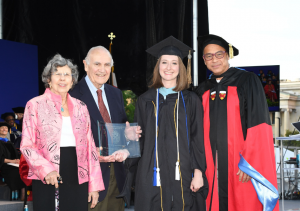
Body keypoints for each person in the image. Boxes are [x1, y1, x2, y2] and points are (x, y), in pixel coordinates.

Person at [119, 36, 208, 211]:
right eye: (164, 62)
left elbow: (198, 138)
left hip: (183, 170)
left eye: (174, 63)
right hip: (151, 171)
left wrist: (198, 171)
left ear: (180, 68)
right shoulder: (145, 100)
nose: (169, 68)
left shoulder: (191, 100)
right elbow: (139, 139)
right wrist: (128, 138)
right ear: (157, 66)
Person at [195, 34, 279, 211]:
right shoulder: (202, 89)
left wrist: (250, 163)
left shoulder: (247, 81)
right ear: (203, 60)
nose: (214, 60)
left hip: (240, 163)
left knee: (244, 203)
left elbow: (259, 124)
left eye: (219, 54)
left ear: (227, 55)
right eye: (208, 56)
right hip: (211, 165)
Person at [20, 54, 104, 211]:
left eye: (67, 74)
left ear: (72, 80)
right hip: (48, 174)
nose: (62, 78)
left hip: (78, 174)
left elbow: (90, 148)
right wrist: (47, 170)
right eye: (57, 74)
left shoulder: (81, 107)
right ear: (48, 80)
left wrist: (94, 185)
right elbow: (27, 145)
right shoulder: (35, 105)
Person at [69, 46, 141, 211]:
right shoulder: (71, 95)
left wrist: (128, 135)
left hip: (116, 176)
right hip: (88, 179)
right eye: (97, 64)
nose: (102, 70)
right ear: (86, 65)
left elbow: (119, 130)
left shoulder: (115, 94)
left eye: (107, 65)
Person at [0, 122, 25, 199]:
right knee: (16, 172)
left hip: (12, 164)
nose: (5, 129)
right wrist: (12, 161)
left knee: (23, 170)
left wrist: (17, 160)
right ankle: (22, 194)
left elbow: (16, 155)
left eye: (6, 128)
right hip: (3, 166)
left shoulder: (9, 142)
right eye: (2, 128)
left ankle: (24, 194)